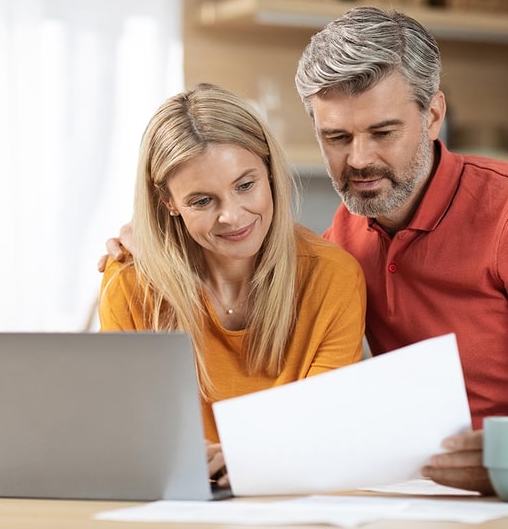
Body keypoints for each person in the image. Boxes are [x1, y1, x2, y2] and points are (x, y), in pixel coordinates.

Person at [101, 8, 508, 492]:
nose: (359, 161)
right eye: (337, 138)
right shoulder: (344, 239)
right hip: (468, 494)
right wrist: (152, 235)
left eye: (383, 132)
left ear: (434, 116)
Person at [98, 83, 366, 486]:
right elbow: (124, 437)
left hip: (292, 499)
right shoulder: (130, 285)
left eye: (245, 185)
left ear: (269, 170)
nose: (232, 216)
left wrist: (246, 458)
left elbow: (323, 432)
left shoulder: (332, 277)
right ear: (168, 202)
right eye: (202, 201)